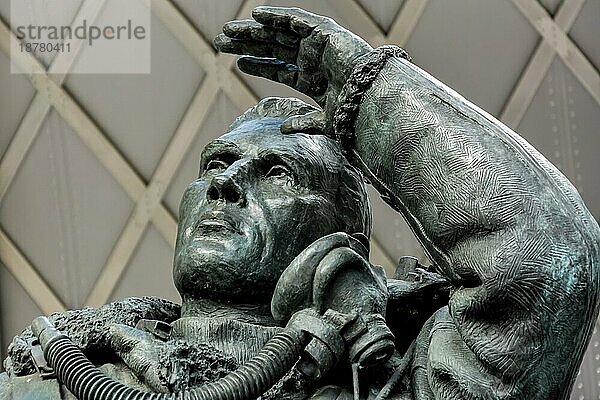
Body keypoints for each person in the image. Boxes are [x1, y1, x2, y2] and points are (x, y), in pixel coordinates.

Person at [1, 6, 599, 400]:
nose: (224, 183)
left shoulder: (395, 387)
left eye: (279, 174)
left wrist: (369, 93)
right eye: (214, 163)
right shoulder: (63, 370)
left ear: (342, 251)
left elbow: (551, 260)